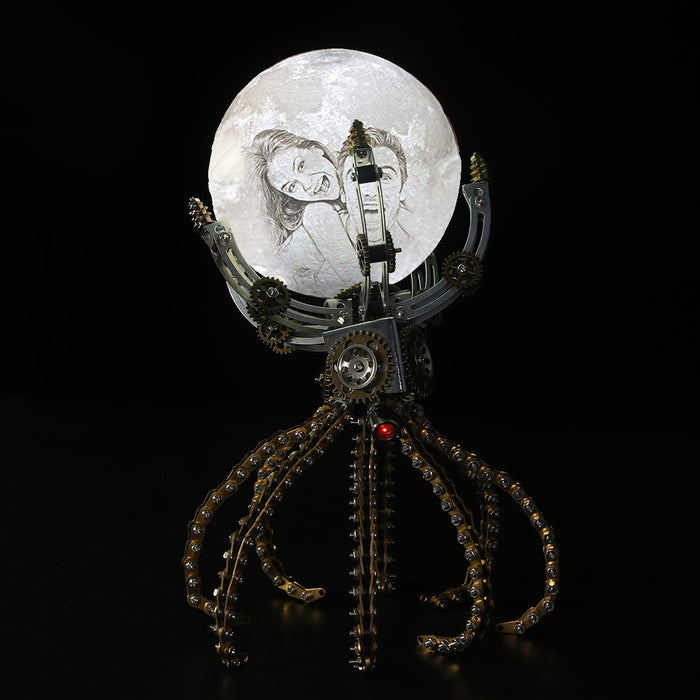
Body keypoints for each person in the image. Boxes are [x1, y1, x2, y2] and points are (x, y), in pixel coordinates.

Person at [247, 129, 359, 297]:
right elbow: (357, 282)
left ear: (315, 149)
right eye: (292, 187)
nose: (307, 185)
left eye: (301, 166)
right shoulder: (317, 213)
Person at [336, 127, 414, 250]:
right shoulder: (320, 241)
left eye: (385, 177)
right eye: (356, 178)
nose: (371, 192)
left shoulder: (420, 245)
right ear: (343, 192)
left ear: (403, 189)